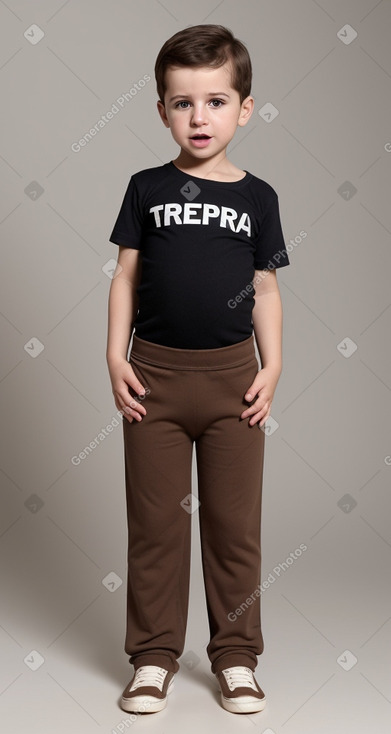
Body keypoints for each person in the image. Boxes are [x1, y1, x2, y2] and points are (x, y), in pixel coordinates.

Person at [106, 23, 290, 716]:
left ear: (244, 108)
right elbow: (125, 277)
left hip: (231, 382)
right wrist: (113, 356)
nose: (198, 117)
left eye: (215, 101)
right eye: (182, 103)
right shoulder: (145, 187)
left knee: (234, 526)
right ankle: (152, 656)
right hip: (152, 379)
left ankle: (236, 656)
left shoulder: (257, 198)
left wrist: (272, 366)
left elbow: (265, 289)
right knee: (153, 526)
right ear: (161, 110)